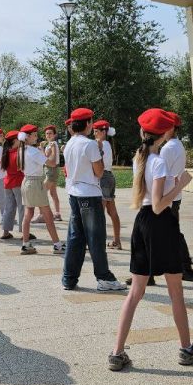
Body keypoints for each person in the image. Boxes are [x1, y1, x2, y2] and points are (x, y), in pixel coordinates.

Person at [108, 108, 193, 371]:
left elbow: (149, 203)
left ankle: (117, 352)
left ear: (143, 132)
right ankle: (186, 349)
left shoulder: (139, 158)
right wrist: (180, 185)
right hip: (161, 224)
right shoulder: (158, 162)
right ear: (164, 134)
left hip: (141, 223)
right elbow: (158, 205)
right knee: (176, 291)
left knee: (135, 292)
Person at [61, 108, 126, 292]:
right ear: (88, 123)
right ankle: (104, 277)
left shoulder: (70, 143)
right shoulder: (89, 145)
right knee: (96, 238)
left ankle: (69, 278)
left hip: (74, 193)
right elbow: (99, 172)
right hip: (89, 193)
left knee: (75, 237)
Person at [162, 111, 193, 282]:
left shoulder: (169, 148)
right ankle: (186, 269)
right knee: (166, 234)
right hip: (173, 196)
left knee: (169, 234)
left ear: (171, 128)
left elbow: (161, 175)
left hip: (167, 197)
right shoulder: (176, 145)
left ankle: (186, 269)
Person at [18, 124, 64, 255]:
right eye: (34, 135)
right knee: (48, 215)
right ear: (27, 137)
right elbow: (52, 163)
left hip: (27, 181)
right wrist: (51, 149)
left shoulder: (22, 149)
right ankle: (57, 245)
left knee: (28, 214)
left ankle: (26, 244)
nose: (36, 137)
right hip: (35, 182)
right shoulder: (33, 151)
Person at [92, 119, 121, 250]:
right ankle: (116, 241)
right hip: (109, 176)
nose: (94, 134)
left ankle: (98, 243)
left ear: (104, 132)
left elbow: (98, 163)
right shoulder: (107, 144)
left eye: (96, 131)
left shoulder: (101, 144)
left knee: (99, 212)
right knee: (112, 211)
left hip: (103, 177)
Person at [39, 125, 63, 222]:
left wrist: (41, 148)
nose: (48, 135)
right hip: (51, 170)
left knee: (41, 192)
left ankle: (43, 215)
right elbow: (46, 156)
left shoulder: (52, 144)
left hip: (51, 170)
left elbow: (48, 158)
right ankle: (57, 214)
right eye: (47, 133)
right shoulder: (50, 144)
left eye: (50, 133)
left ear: (54, 135)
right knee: (53, 193)